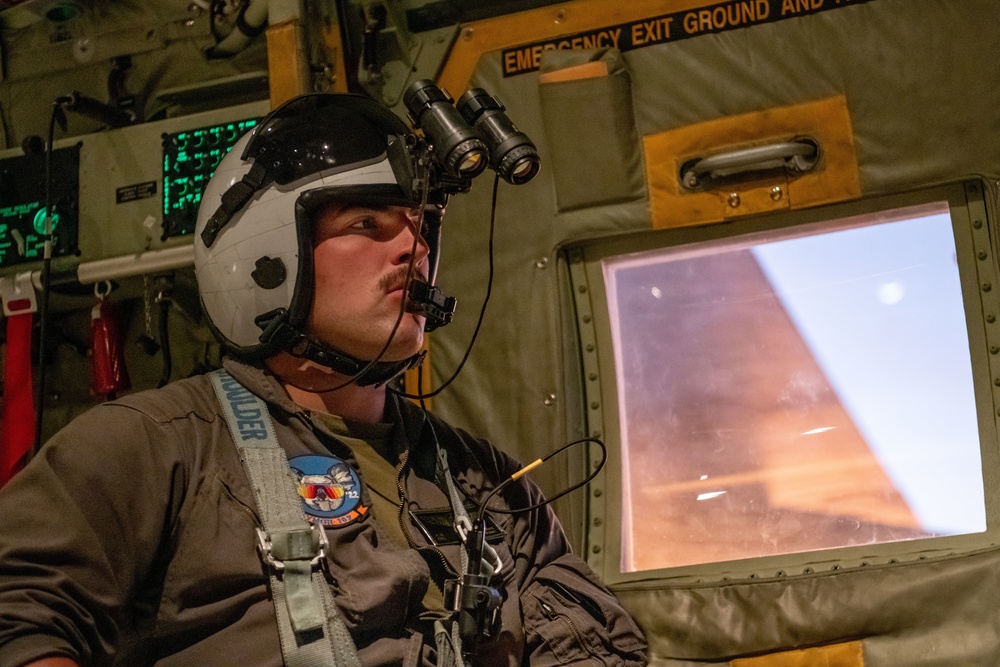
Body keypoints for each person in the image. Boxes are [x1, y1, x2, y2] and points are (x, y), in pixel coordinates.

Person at [0, 93, 647, 666]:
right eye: (367, 224)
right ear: (261, 257)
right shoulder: (152, 448)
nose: (415, 249)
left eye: (422, 227)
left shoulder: (492, 486)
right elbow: (16, 614)